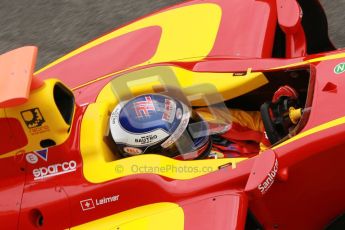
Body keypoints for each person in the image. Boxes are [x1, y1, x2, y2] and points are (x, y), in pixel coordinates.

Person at [109, 85, 299, 159]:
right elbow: (252, 176)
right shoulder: (185, 175)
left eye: (189, 122)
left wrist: (277, 117)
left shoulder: (204, 117)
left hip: (279, 146)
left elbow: (254, 121)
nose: (194, 131)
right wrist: (270, 143)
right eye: (178, 140)